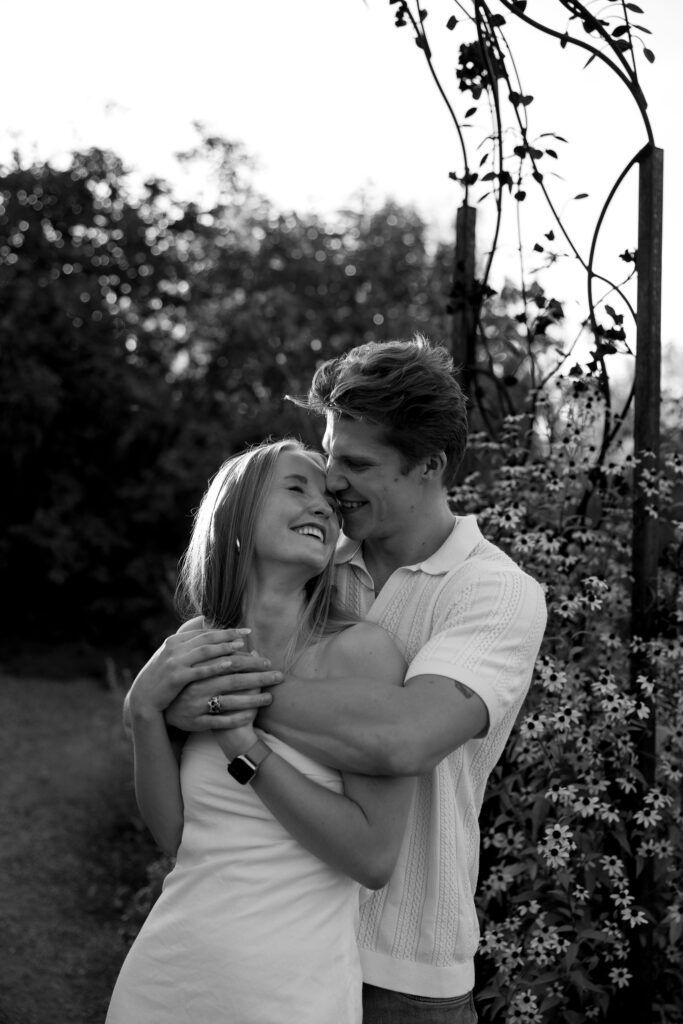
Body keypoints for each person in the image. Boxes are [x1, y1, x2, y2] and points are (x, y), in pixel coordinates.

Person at [131, 336, 547, 1023]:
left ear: (428, 468)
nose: (331, 482)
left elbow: (400, 740)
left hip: (401, 973)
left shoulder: (494, 593)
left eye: (355, 464)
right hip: (264, 944)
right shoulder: (312, 564)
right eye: (327, 459)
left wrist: (222, 702)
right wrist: (153, 708)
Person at [108, 439, 414, 1024]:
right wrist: (143, 711)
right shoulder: (197, 643)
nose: (323, 507)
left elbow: (372, 859)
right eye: (296, 488)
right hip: (166, 978)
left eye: (327, 499)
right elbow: (178, 838)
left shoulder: (362, 653)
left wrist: (245, 747)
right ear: (238, 517)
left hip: (290, 992)